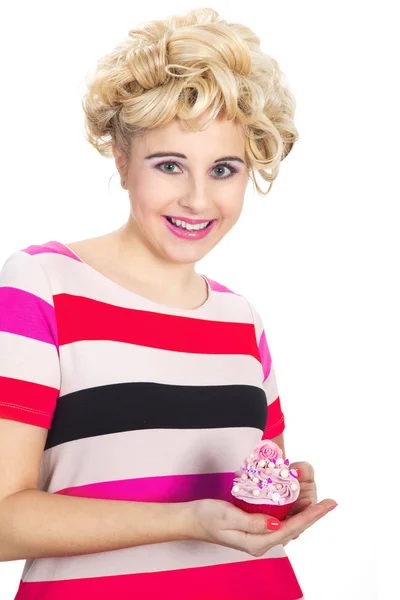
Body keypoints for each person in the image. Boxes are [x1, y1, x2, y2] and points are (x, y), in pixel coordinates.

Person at [0, 7, 337, 600]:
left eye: (224, 169)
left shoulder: (241, 320)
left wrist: (283, 496)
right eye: (169, 165)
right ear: (122, 160)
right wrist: (186, 519)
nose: (198, 199)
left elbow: (254, 504)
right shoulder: (43, 286)